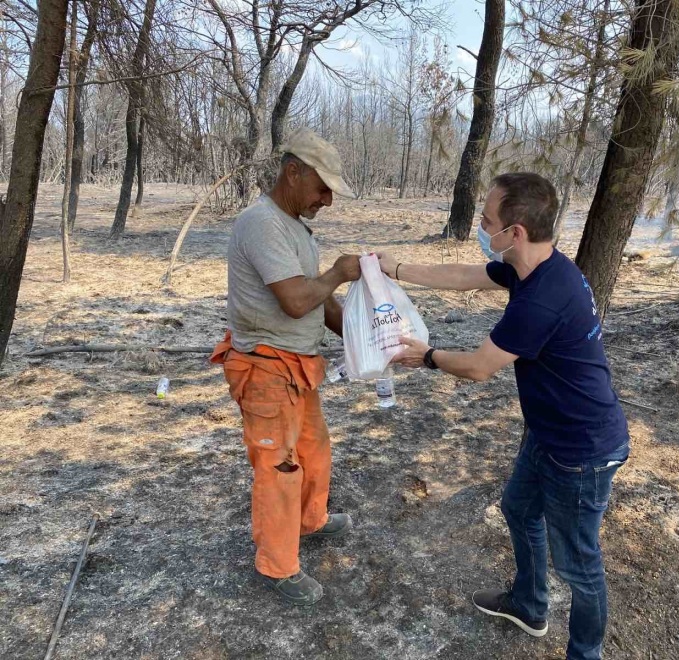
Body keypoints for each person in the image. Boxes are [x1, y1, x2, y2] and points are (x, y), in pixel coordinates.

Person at [377, 172, 630, 659]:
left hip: (582, 451)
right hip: (548, 433)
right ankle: (530, 605)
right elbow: (468, 276)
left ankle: (586, 653)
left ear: (515, 232)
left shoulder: (541, 300)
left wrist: (426, 356)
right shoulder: (532, 267)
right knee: (518, 508)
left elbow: (477, 368)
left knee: (579, 566)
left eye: (487, 221)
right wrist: (400, 268)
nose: (480, 227)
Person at [210, 128, 361, 606]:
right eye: (322, 188)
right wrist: (338, 271)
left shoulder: (293, 225)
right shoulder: (261, 222)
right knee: (278, 465)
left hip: (300, 367)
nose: (327, 200)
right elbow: (298, 301)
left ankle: (309, 521)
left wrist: (370, 339)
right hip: (266, 369)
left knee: (314, 451)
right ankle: (276, 565)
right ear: (292, 172)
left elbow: (319, 302)